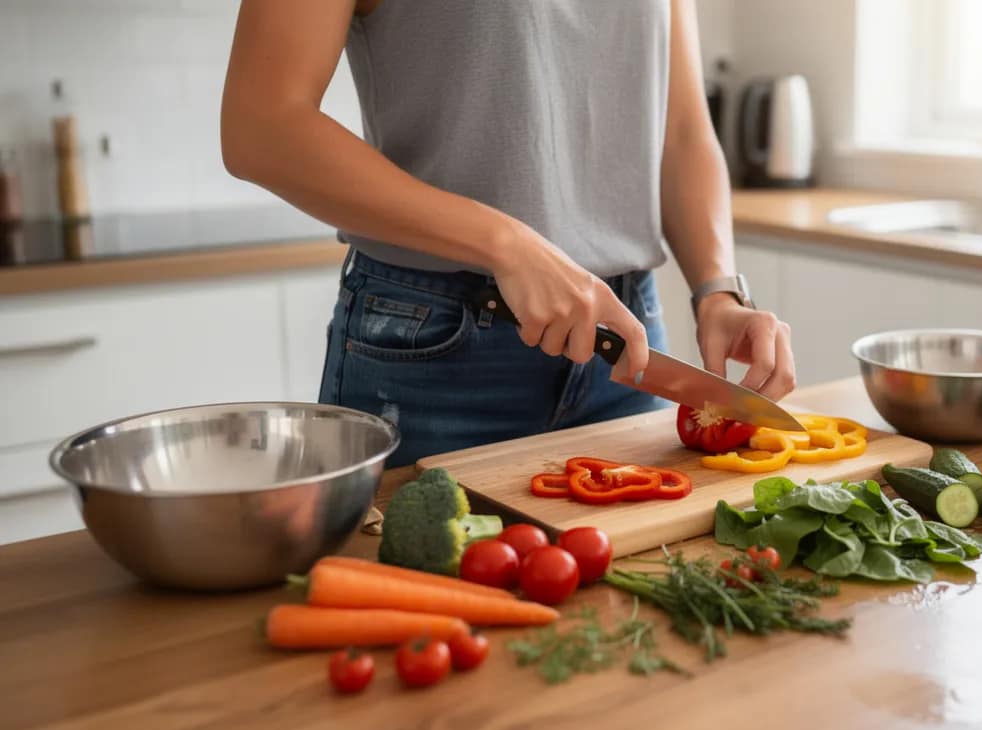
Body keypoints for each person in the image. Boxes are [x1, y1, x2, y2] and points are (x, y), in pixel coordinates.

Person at [221, 0, 795, 467]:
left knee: (633, 599)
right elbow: (261, 125)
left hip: (624, 347)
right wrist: (507, 243)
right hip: (433, 357)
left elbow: (682, 130)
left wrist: (718, 291)